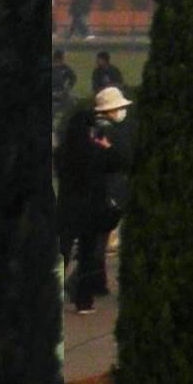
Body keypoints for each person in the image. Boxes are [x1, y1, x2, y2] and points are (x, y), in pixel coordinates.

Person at [59, 85, 129, 310]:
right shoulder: (98, 144)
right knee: (89, 253)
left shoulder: (69, 148)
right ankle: (83, 299)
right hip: (93, 205)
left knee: (63, 250)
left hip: (69, 204)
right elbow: (117, 161)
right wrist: (105, 147)